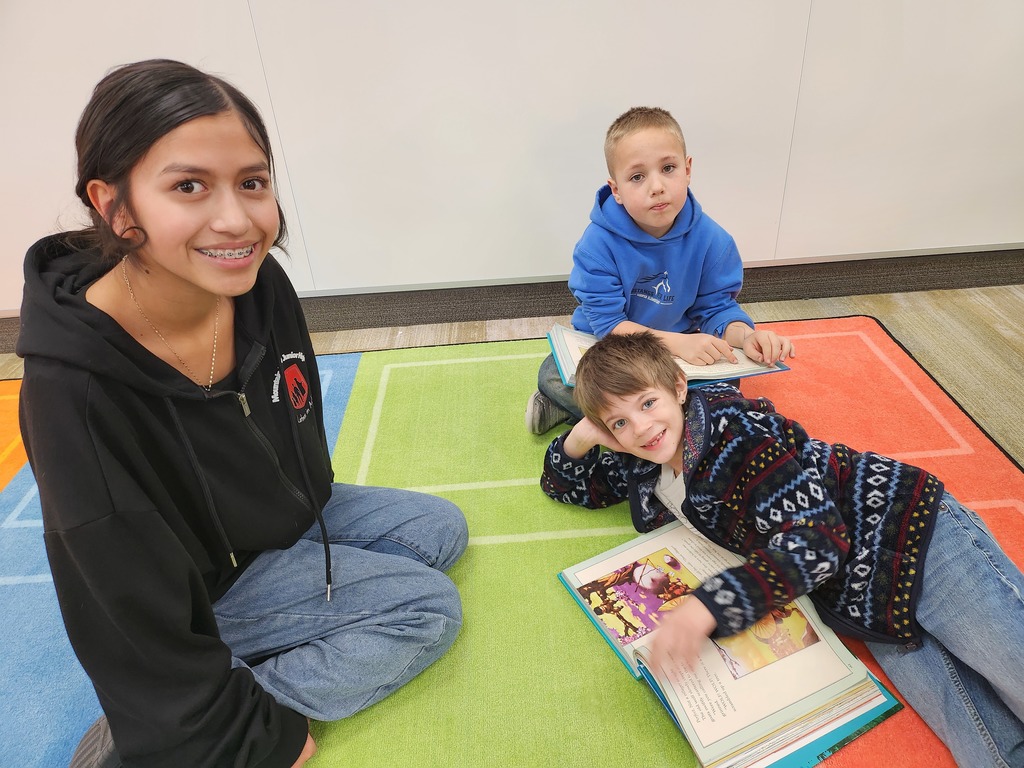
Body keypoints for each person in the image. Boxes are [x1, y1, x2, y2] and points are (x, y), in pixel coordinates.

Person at [17, 59, 468, 768]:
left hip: (268, 524)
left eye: (252, 182)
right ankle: (189, 731)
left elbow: (287, 433)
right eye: (189, 186)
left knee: (439, 532)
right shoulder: (72, 392)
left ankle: (241, 662)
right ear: (115, 206)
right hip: (195, 584)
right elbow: (120, 600)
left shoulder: (257, 286)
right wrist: (256, 739)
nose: (238, 219)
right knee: (427, 609)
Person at [540, 331, 1024, 767]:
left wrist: (706, 609)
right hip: (863, 603)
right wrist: (583, 435)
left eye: (648, 404)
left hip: (914, 534)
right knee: (986, 746)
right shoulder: (645, 465)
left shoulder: (740, 436)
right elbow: (566, 486)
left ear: (680, 389)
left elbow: (819, 539)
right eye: (620, 423)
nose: (642, 428)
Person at [525, 106, 795, 435]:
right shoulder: (596, 246)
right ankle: (664, 426)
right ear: (617, 190)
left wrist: (748, 336)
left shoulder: (714, 241)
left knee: (729, 375)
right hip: (615, 351)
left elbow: (718, 309)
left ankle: (620, 426)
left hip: (680, 356)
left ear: (688, 169)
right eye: (637, 177)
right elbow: (609, 325)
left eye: (668, 168)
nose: (656, 186)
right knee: (553, 375)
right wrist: (676, 345)